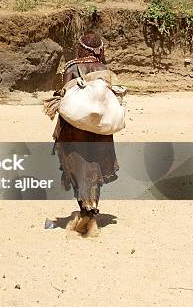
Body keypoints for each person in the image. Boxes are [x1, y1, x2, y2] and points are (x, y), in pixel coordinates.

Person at [53, 33, 119, 236]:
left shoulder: (71, 67)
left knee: (77, 166)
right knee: (95, 166)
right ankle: (91, 211)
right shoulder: (104, 70)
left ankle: (85, 213)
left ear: (81, 48)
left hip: (75, 130)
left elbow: (65, 95)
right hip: (99, 130)